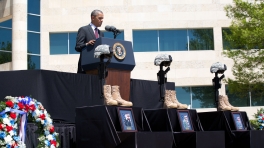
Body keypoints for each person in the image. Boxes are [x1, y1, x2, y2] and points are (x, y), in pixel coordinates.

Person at [75, 9, 104, 74]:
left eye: (102, 18)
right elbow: (77, 47)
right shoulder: (84, 30)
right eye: (100, 18)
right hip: (86, 68)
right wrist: (87, 44)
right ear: (92, 17)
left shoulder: (101, 33)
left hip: (99, 69)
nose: (102, 20)